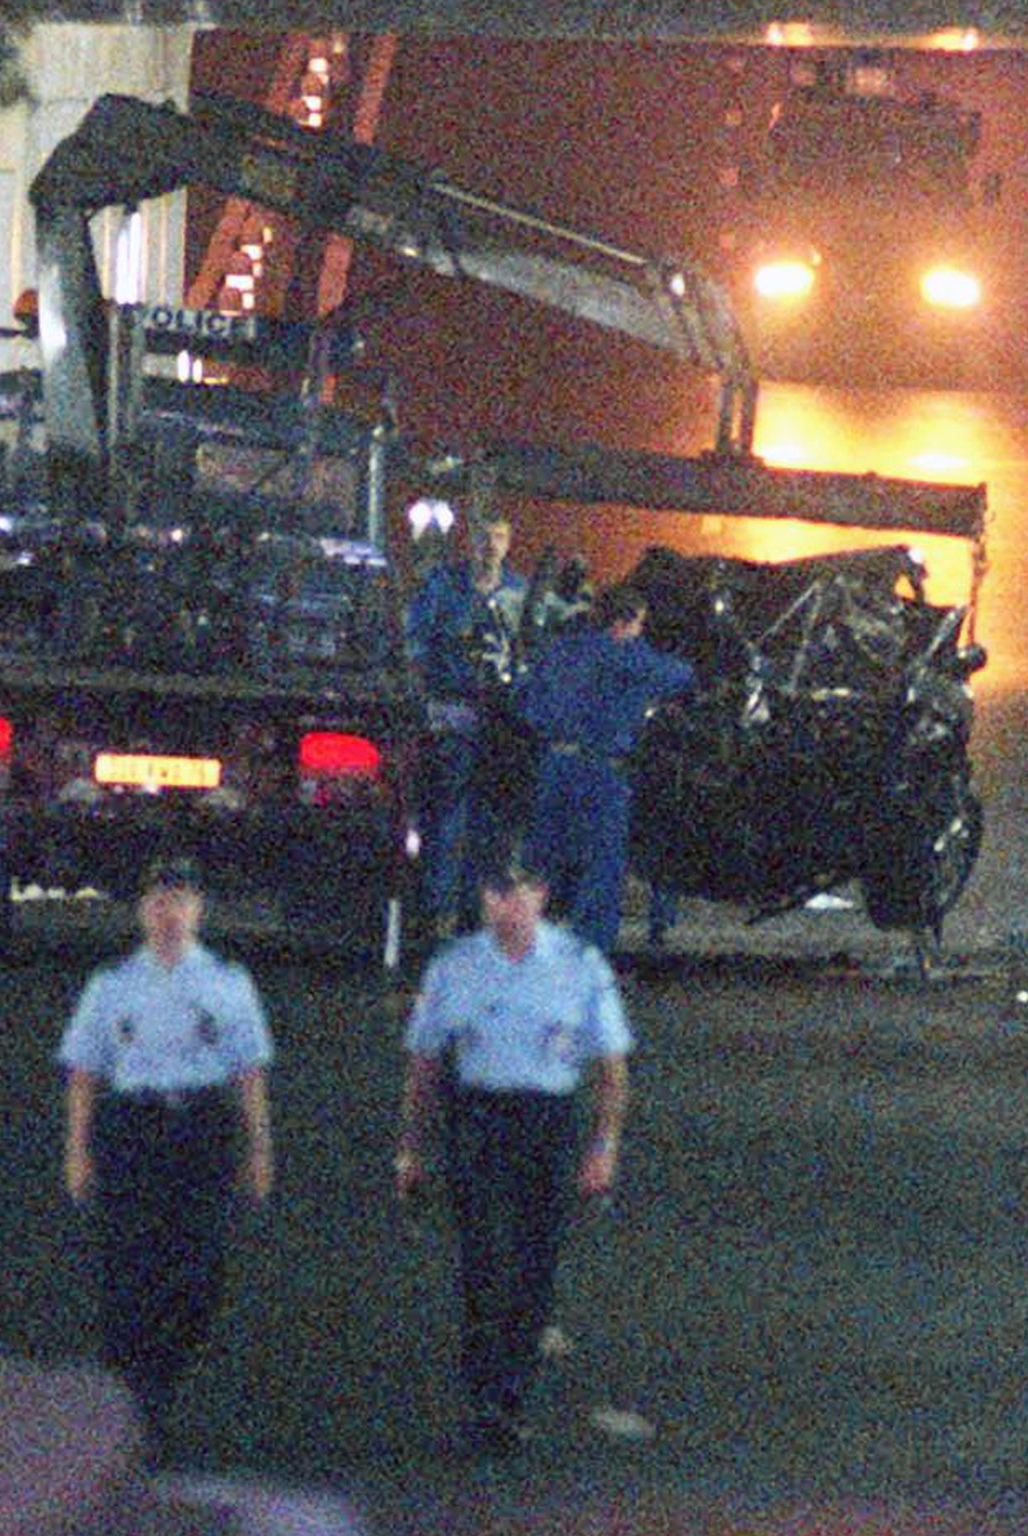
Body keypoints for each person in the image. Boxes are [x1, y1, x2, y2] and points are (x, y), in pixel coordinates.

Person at [393, 843, 632, 1456]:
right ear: (483, 898)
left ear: (542, 896)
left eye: (522, 891)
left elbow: (611, 1067)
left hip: (546, 1121)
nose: (510, 905)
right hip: (478, 1117)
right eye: (498, 892)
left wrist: (602, 1146)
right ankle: (484, 1393)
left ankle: (511, 1392)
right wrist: (411, 1149)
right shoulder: (455, 966)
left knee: (533, 1263)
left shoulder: (579, 966)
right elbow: (424, 1063)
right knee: (481, 1260)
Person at [59, 855, 274, 1450]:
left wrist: (258, 1149)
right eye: (158, 901)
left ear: (198, 911)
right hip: (134, 1129)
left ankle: (165, 1370)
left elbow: (248, 1072)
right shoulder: (112, 986)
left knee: (198, 1271)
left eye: (179, 901)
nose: (168, 914)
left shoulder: (227, 984)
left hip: (199, 1130)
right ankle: (138, 1397)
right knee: (129, 1264)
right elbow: (84, 1070)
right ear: (141, 911)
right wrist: (78, 1151)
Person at [516, 584, 694, 958]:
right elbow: (678, 675)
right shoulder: (625, 655)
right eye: (640, 624)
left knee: (543, 865)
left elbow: (526, 703)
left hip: (553, 768)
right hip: (600, 774)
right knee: (600, 870)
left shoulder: (558, 649)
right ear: (625, 622)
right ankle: (587, 959)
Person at [405, 515, 528, 930]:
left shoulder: (519, 593)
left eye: (498, 537)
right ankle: (436, 908)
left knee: (490, 825)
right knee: (445, 815)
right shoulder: (443, 586)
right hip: (452, 716)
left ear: (509, 543)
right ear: (470, 543)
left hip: (499, 724)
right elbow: (416, 643)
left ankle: (476, 910)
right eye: (483, 538)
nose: (490, 546)